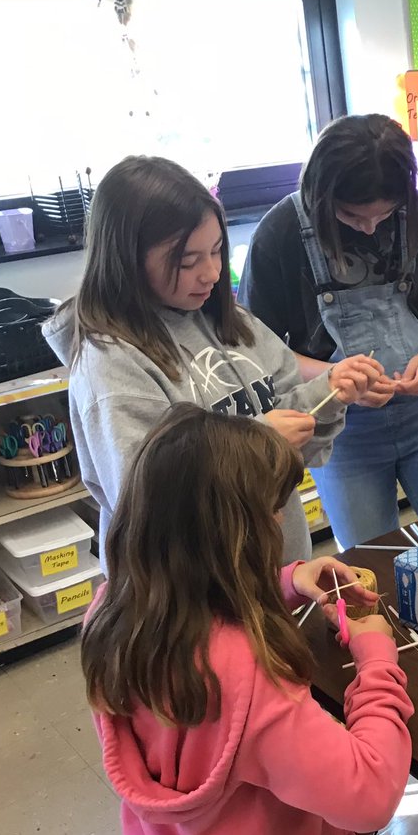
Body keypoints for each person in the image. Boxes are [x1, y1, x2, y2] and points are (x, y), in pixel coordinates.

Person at [81, 404, 418, 835]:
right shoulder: (249, 682)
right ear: (238, 534)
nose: (279, 522)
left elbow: (198, 603)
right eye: (272, 511)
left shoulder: (113, 613)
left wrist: (290, 580)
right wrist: (376, 656)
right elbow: (370, 798)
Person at [44, 156, 382, 565]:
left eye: (217, 251)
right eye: (188, 261)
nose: (211, 273)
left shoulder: (228, 319)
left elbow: (287, 436)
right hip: (192, 600)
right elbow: (148, 501)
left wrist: (327, 393)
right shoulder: (110, 363)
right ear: (127, 259)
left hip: (276, 575)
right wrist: (257, 442)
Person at [239, 114, 418, 549]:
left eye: (385, 214)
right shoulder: (279, 235)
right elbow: (257, 356)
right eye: (352, 216)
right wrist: (332, 377)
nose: (371, 227)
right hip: (339, 429)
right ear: (320, 192)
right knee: (372, 561)